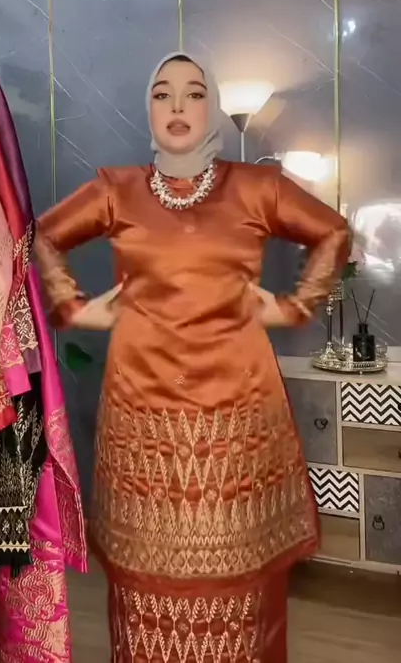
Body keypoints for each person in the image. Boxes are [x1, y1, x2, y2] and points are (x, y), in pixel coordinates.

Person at [35, 52, 351, 663]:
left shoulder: (256, 187)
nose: (177, 106)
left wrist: (292, 308)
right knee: (145, 575)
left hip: (237, 411)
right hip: (142, 410)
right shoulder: (117, 189)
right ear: (148, 108)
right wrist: (73, 308)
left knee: (242, 568)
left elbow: (332, 232)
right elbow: (45, 235)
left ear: (213, 108)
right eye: (162, 94)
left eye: (194, 93)